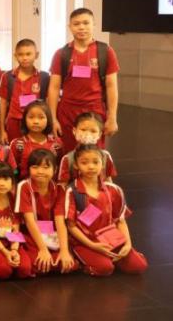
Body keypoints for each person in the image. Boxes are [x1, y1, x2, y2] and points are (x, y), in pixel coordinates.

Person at [63, 145, 147, 277]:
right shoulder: (72, 191)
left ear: (102, 164)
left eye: (95, 162)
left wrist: (128, 244)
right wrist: (93, 245)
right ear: (76, 165)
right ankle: (80, 257)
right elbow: (71, 226)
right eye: (84, 162)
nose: (91, 167)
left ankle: (110, 257)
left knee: (139, 265)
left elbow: (120, 220)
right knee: (104, 268)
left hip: (110, 238)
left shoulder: (114, 190)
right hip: (85, 241)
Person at [47, 8, 120, 153]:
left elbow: (112, 86)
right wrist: (53, 119)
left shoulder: (105, 51)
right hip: (67, 111)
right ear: (70, 27)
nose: (81, 27)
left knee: (92, 154)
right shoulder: (61, 54)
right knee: (67, 152)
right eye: (76, 24)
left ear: (94, 25)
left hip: (95, 110)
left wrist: (112, 117)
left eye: (86, 23)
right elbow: (54, 88)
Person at [14, 149, 77, 275]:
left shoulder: (59, 189)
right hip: (31, 233)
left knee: (68, 264)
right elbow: (29, 221)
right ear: (29, 169)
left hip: (51, 234)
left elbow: (60, 222)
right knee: (32, 266)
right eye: (35, 167)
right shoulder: (24, 186)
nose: (40, 171)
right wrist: (43, 249)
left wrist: (64, 251)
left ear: (55, 169)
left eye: (46, 167)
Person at [0, 161, 33, 280]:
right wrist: (5, 252)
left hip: (10, 239)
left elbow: (16, 227)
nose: (1, 183)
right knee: (4, 270)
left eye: (6, 179)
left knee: (25, 269)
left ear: (12, 181)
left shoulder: (14, 198)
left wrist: (14, 249)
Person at [0, 39, 49, 144]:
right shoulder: (8, 76)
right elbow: (3, 103)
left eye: (28, 54)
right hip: (13, 122)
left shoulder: (44, 77)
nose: (25, 58)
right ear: (15, 56)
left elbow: (48, 102)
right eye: (20, 54)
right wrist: (2, 130)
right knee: (14, 149)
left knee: (35, 150)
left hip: (36, 122)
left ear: (36, 55)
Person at [57, 112, 118, 185]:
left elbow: (108, 181)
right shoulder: (67, 159)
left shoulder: (105, 156)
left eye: (93, 131)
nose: (87, 134)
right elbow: (63, 185)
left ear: (99, 134)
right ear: (74, 131)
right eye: (83, 130)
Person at [9, 100, 63, 179]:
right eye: (31, 117)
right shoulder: (17, 144)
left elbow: (60, 168)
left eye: (41, 117)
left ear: (48, 119)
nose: (36, 121)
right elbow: (13, 170)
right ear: (24, 119)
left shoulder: (56, 144)